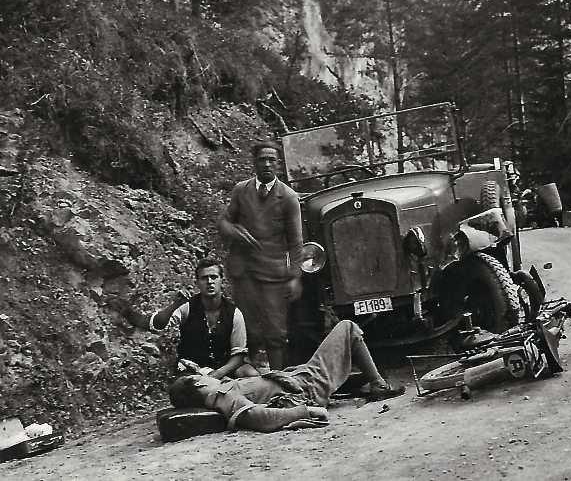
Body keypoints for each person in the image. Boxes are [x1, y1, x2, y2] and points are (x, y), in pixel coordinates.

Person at [166, 320, 405, 432]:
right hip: (307, 386)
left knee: (339, 355)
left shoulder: (223, 391)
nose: (208, 375)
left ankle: (354, 379)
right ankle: (378, 385)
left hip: (300, 379)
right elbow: (259, 417)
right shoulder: (224, 395)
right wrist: (306, 412)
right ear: (197, 382)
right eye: (202, 375)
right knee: (347, 328)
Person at [218, 141, 304, 371]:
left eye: (271, 160)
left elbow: (296, 242)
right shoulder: (241, 190)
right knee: (248, 329)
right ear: (254, 163)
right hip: (243, 272)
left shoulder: (288, 197)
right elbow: (224, 222)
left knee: (275, 331)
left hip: (273, 274)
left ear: (278, 164)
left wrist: (295, 277)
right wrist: (235, 232)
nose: (267, 164)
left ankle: (279, 380)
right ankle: (253, 382)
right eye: (262, 159)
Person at [122, 257, 259, 379]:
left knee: (251, 375)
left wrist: (217, 374)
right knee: (185, 388)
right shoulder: (187, 307)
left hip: (223, 368)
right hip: (192, 368)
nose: (209, 282)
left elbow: (239, 356)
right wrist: (175, 304)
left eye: (214, 277)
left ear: (221, 280)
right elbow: (158, 325)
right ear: (197, 283)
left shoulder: (234, 313)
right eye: (204, 278)